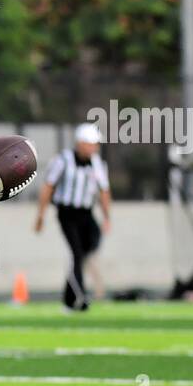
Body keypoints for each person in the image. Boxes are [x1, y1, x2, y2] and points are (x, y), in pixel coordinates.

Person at [35, 122, 113, 312]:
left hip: (87, 213)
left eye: (96, 144)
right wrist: (41, 215)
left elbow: (104, 191)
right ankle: (80, 297)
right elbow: (48, 187)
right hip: (67, 212)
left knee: (88, 248)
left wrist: (107, 217)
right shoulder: (63, 160)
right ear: (81, 143)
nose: (94, 148)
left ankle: (70, 297)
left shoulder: (97, 163)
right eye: (91, 143)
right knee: (77, 254)